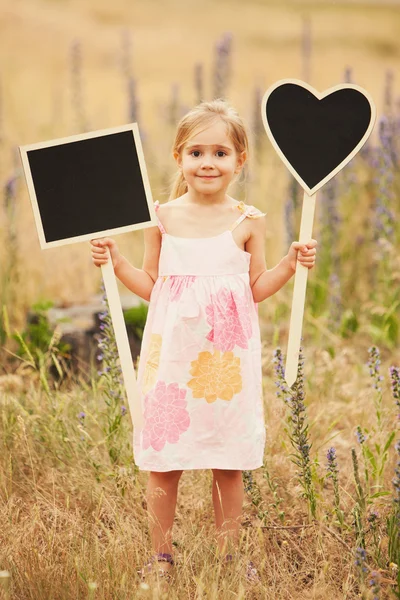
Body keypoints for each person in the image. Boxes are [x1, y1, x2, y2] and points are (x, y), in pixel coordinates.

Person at [90, 99, 317, 585]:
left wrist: (290, 264)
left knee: (226, 460)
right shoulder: (162, 217)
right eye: (196, 152)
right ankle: (161, 556)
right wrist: (115, 262)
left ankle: (230, 558)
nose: (207, 162)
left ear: (240, 160)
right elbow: (152, 285)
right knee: (164, 459)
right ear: (179, 158)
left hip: (225, 362)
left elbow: (254, 289)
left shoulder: (248, 220)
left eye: (220, 152)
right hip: (171, 359)